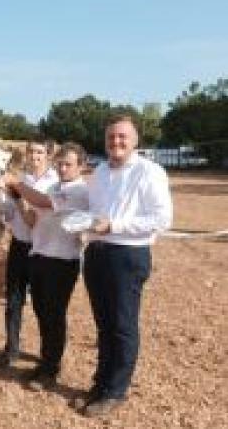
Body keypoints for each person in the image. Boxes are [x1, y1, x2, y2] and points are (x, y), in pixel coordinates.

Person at [79, 115, 173, 417]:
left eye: (122, 137)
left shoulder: (149, 171)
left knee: (122, 325)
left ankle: (116, 390)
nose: (115, 142)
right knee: (104, 324)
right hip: (97, 253)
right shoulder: (101, 172)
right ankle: (101, 383)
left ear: (135, 141)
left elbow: (161, 219)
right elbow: (92, 213)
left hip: (128, 256)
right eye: (111, 137)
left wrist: (114, 225)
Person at [1, 143, 89, 390]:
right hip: (38, 255)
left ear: (81, 167)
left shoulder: (78, 191)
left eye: (68, 164)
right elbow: (31, 220)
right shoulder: (53, 187)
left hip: (61, 261)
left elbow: (41, 200)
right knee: (42, 314)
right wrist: (17, 199)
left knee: (54, 315)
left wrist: (15, 183)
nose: (62, 168)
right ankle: (45, 363)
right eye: (60, 163)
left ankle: (51, 370)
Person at [0, 136, 59, 366]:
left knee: (43, 305)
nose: (34, 156)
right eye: (31, 152)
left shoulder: (55, 183)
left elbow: (32, 220)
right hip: (20, 245)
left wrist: (19, 197)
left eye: (40, 152)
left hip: (43, 250)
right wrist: (3, 211)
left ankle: (47, 358)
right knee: (13, 301)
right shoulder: (20, 179)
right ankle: (11, 350)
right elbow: (10, 214)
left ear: (48, 155)